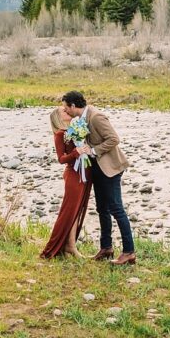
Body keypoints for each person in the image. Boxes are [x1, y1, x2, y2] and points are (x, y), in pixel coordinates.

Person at [60, 90, 135, 266]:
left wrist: (93, 151)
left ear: (73, 105)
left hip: (110, 168)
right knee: (102, 208)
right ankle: (106, 248)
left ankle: (129, 252)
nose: (65, 111)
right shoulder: (80, 120)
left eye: (66, 107)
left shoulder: (96, 117)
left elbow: (114, 139)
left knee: (116, 209)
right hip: (98, 169)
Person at [40, 106, 93, 258]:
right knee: (68, 211)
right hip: (73, 175)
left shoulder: (74, 129)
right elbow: (61, 159)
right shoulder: (60, 134)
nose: (67, 111)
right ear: (59, 118)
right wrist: (76, 152)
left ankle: (70, 246)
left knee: (76, 210)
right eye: (64, 111)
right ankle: (54, 248)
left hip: (83, 173)